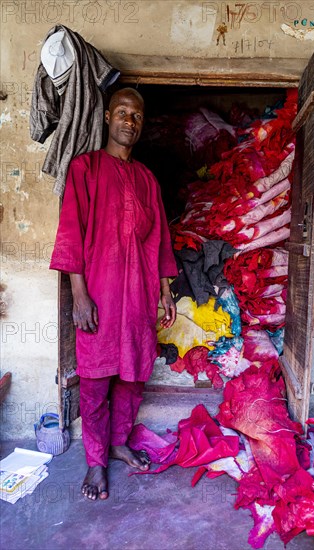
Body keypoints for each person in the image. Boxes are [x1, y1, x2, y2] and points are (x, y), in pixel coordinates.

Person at [50, 88, 178, 500]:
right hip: (100, 292)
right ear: (107, 117)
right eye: (122, 113)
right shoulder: (85, 169)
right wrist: (79, 295)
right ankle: (95, 462)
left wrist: (164, 290)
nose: (129, 121)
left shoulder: (147, 179)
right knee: (94, 379)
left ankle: (119, 442)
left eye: (136, 116)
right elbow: (70, 232)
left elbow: (159, 238)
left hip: (139, 294)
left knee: (133, 376)